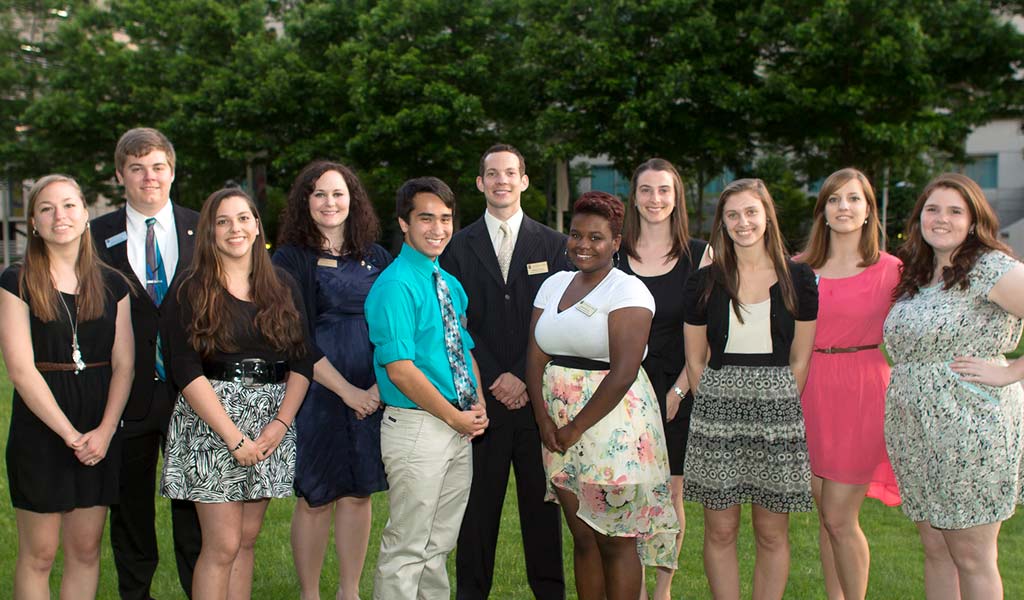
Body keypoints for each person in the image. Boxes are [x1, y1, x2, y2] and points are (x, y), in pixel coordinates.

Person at [159, 188, 316, 599]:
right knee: (222, 544)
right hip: (212, 423)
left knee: (247, 539)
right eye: (223, 221)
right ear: (209, 232)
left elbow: (303, 360)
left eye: (244, 218)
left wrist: (280, 425)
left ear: (257, 225)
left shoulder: (282, 284)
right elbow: (185, 369)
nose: (235, 229)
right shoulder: (190, 289)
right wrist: (232, 436)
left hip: (270, 420)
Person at [526, 191, 679, 600]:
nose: (582, 245)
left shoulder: (627, 292)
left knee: (616, 539)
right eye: (575, 235)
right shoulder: (553, 284)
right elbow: (535, 357)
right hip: (557, 426)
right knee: (582, 537)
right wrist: (544, 421)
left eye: (596, 237)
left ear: (616, 242)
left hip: (613, 426)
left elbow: (624, 370)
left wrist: (575, 426)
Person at [884, 173, 1024, 599]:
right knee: (936, 550)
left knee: (972, 557)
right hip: (916, 431)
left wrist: (1011, 371)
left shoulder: (991, 268)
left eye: (954, 211)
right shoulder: (920, 275)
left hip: (971, 428)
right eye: (932, 209)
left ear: (973, 220)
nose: (940, 219)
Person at [440, 144, 568, 600]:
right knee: (477, 514)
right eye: (492, 173)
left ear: (524, 181)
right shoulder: (455, 247)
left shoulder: (555, 245)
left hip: (537, 403)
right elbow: (456, 321)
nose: (501, 181)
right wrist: (496, 376)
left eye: (510, 173)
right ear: (480, 183)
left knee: (542, 512)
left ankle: (550, 592)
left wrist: (521, 374)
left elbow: (558, 317)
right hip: (481, 402)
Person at [682, 178, 817, 600]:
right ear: (722, 223)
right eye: (733, 215)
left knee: (771, 531)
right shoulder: (704, 282)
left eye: (751, 213)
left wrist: (774, 400)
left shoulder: (799, 277)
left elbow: (801, 360)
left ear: (767, 217)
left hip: (777, 411)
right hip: (716, 412)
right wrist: (720, 402)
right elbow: (695, 361)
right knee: (720, 528)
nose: (743, 223)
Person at [0, 175, 133, 599]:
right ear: (34, 223)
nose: (61, 216)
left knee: (86, 549)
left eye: (70, 205)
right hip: (43, 427)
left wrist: (105, 431)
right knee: (39, 553)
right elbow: (20, 370)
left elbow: (125, 365)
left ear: (85, 215)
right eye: (47, 208)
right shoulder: (16, 281)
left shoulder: (112, 283)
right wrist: (70, 436)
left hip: (99, 426)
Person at [91, 127, 203, 599]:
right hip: (126, 393)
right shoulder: (94, 235)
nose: (148, 177)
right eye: (136, 169)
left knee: (195, 510)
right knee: (131, 510)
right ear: (121, 176)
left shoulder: (204, 227)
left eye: (158, 167)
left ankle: (202, 589)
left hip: (193, 392)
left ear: (172, 172)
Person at [365, 176, 489, 600]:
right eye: (426, 219)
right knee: (408, 545)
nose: (438, 228)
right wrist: (453, 415)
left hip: (456, 424)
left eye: (446, 219)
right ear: (403, 223)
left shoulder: (448, 283)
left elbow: (463, 350)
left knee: (438, 545)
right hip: (419, 427)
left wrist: (477, 404)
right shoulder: (395, 285)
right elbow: (399, 369)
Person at [272, 160, 391, 600]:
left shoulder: (377, 255)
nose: (329, 202)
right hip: (317, 391)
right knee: (316, 495)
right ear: (306, 201)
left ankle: (349, 591)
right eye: (319, 194)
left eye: (338, 193)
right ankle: (310, 593)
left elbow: (393, 322)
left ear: (353, 200)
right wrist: (348, 392)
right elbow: (293, 337)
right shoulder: (289, 258)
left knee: (360, 492)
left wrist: (379, 387)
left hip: (373, 389)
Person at [797, 168, 901, 600]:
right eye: (834, 199)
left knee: (840, 518)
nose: (844, 207)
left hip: (861, 391)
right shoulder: (800, 268)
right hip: (809, 388)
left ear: (868, 211)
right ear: (822, 212)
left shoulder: (891, 270)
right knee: (827, 517)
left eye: (854, 199)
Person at [618, 158, 711, 599]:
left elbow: (710, 333)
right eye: (647, 190)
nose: (656, 199)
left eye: (664, 191)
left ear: (677, 198)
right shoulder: (614, 253)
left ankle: (662, 589)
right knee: (630, 490)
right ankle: (630, 583)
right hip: (620, 388)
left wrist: (680, 388)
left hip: (678, 387)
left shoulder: (700, 253)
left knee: (671, 492)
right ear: (634, 197)